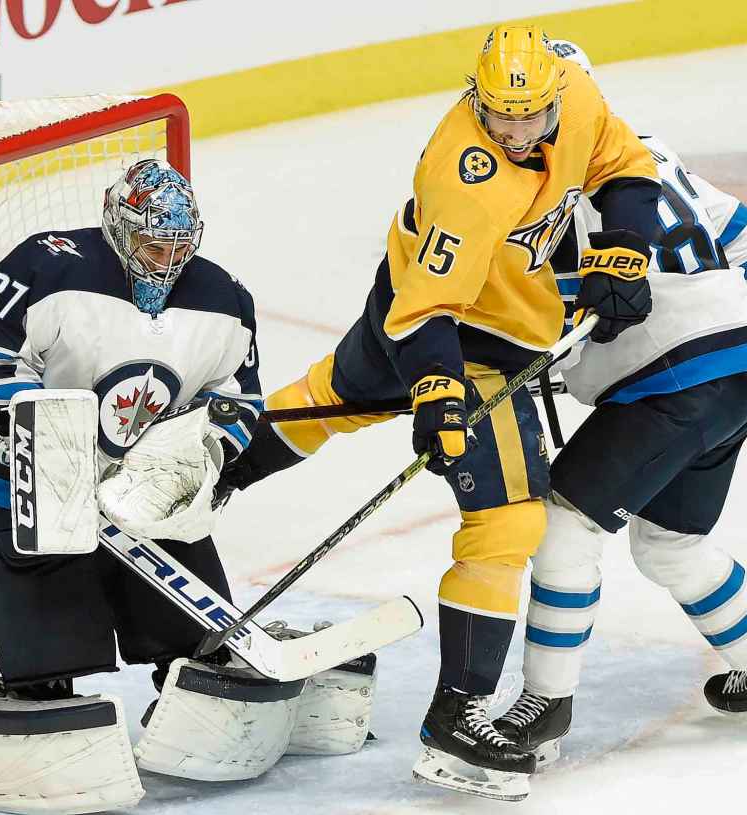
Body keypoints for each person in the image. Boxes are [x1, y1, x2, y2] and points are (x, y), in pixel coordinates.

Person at [217, 24, 660, 800]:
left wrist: (621, 248)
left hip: (411, 301)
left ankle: (206, 467)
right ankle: (458, 715)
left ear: (555, 92)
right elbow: (429, 314)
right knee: (510, 520)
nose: (515, 132)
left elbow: (623, 163)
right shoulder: (467, 174)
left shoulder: (577, 94)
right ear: (475, 97)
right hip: (451, 333)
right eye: (498, 116)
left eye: (528, 117)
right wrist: (439, 397)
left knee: (334, 396)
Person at [493, 41, 747, 770]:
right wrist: (711, 324)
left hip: (672, 383)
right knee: (672, 543)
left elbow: (558, 326)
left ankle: (545, 709)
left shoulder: (555, 185)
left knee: (565, 525)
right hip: (742, 366)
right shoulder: (649, 149)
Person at [0, 158, 262, 702]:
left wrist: (196, 452)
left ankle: (190, 691)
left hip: (149, 501)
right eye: (156, 246)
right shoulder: (46, 266)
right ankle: (39, 684)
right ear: (118, 224)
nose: (169, 262)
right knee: (47, 670)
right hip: (40, 496)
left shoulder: (225, 299)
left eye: (182, 247)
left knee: (200, 650)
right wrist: (53, 434)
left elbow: (238, 401)